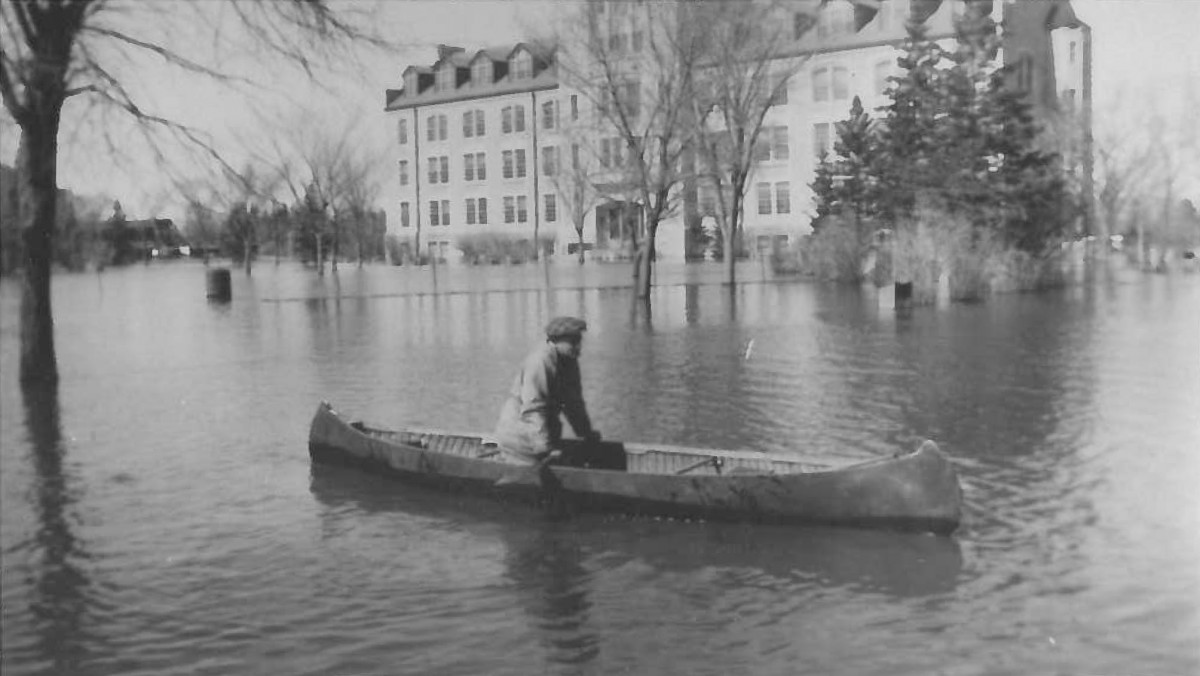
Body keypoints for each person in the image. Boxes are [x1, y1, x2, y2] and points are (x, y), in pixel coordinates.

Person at [494, 316, 601, 465]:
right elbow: (533, 409)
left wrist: (586, 434)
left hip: (542, 433)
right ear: (555, 341)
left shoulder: (569, 361)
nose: (578, 347)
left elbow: (574, 405)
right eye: (573, 342)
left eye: (579, 341)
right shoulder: (540, 362)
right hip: (520, 437)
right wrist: (544, 448)